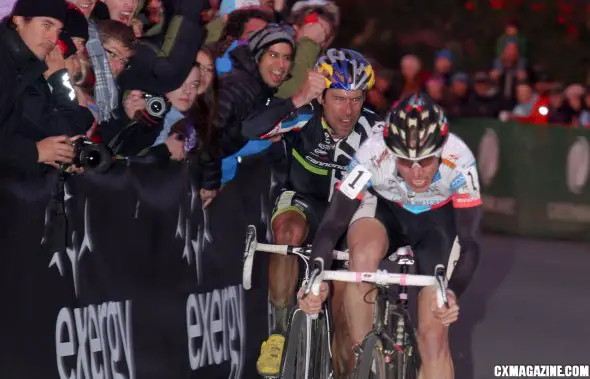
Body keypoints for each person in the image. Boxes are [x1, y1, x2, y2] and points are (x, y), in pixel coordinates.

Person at [299, 93, 482, 379]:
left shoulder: (459, 159)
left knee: (433, 340)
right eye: (406, 163)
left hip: (436, 226)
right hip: (386, 212)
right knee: (361, 257)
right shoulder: (371, 154)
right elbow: (333, 223)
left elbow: (470, 242)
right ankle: (365, 360)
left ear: (441, 150)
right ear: (391, 151)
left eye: (426, 161)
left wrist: (452, 292)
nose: (417, 173)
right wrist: (314, 279)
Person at [242, 48, 382, 377]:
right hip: (303, 201)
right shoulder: (302, 114)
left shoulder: (375, 131)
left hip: (350, 216)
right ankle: (277, 333)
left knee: (346, 326)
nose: (348, 111)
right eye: (338, 99)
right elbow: (250, 130)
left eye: (356, 99)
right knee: (287, 233)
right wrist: (297, 97)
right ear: (321, 97)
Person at [0, 0, 81, 174]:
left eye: (58, 31)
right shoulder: (10, 63)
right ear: (19, 20)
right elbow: (64, 128)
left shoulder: (28, 66)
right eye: (46, 25)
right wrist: (34, 152)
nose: (53, 39)